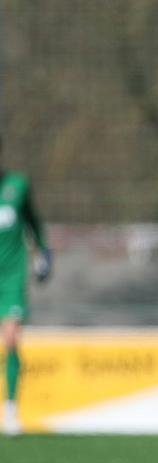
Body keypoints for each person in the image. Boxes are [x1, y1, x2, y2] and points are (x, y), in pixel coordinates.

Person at [0, 137, 51, 434]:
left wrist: (44, 253)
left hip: (11, 278)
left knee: (10, 339)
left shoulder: (17, 186)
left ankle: (10, 409)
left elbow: (34, 223)